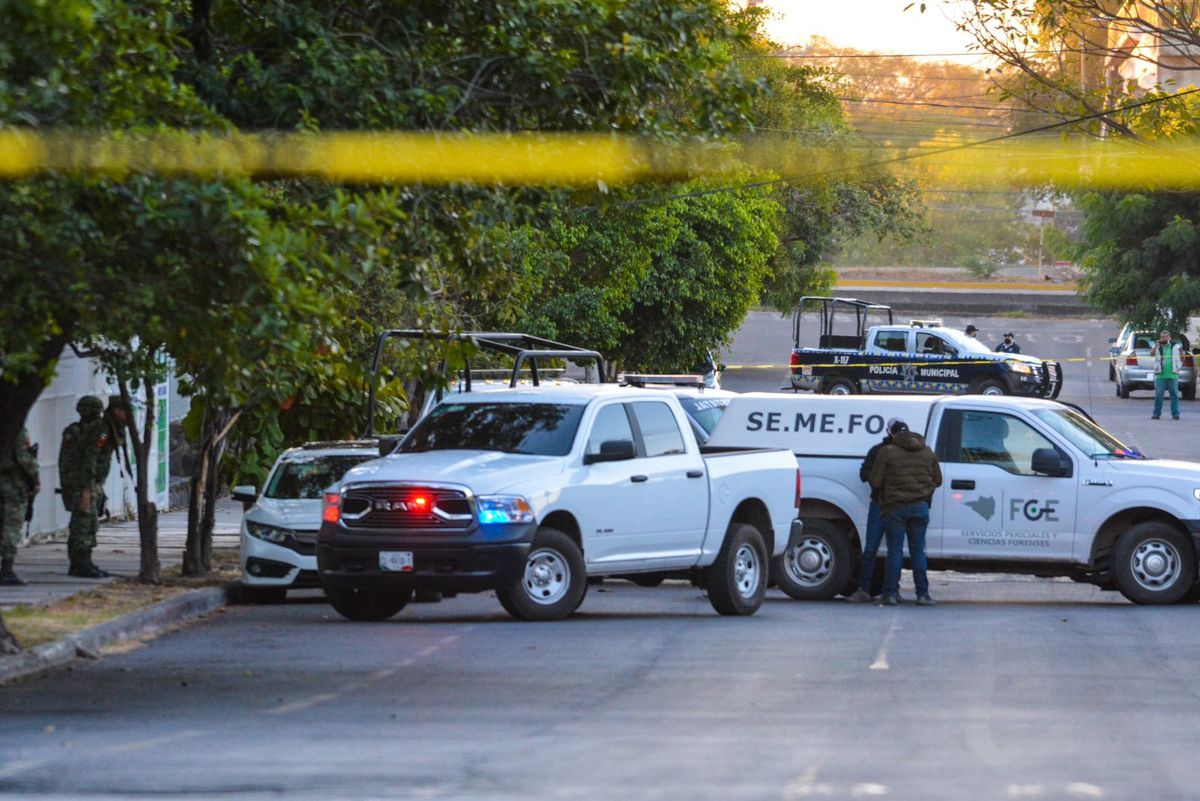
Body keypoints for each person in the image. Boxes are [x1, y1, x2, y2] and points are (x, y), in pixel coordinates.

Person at [869, 417, 942, 606]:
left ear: (891, 433)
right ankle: (923, 594)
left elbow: (875, 481)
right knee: (918, 552)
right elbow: (938, 479)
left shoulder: (887, 452)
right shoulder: (927, 451)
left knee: (895, 551)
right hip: (920, 508)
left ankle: (891, 594)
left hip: (895, 508)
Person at [59, 395, 127, 578]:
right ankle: (81, 563)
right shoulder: (101, 430)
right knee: (84, 521)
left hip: (87, 482)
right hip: (83, 483)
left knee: (87, 521)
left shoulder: (105, 428)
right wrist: (88, 488)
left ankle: (83, 561)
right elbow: (90, 458)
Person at [846, 430, 893, 603]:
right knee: (893, 550)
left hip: (879, 503)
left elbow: (865, 475)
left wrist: (877, 479)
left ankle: (864, 588)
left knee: (872, 548)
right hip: (897, 504)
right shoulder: (909, 450)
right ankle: (891, 591)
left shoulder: (877, 450)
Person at [0, 427, 39, 586]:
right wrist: (35, 477)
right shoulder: (14, 426)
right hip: (13, 484)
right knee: (11, 526)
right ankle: (6, 569)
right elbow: (23, 457)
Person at [1151, 330, 1182, 420]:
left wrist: (1181, 352)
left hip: (1173, 375)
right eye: (1163, 337)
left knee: (1174, 395)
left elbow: (1182, 357)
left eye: (1166, 337)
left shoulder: (1175, 346)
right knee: (1158, 395)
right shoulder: (1157, 346)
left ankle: (1175, 414)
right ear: (1160, 338)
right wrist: (1156, 346)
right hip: (1160, 375)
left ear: (1170, 338)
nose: (1164, 339)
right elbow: (1151, 354)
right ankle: (1156, 414)